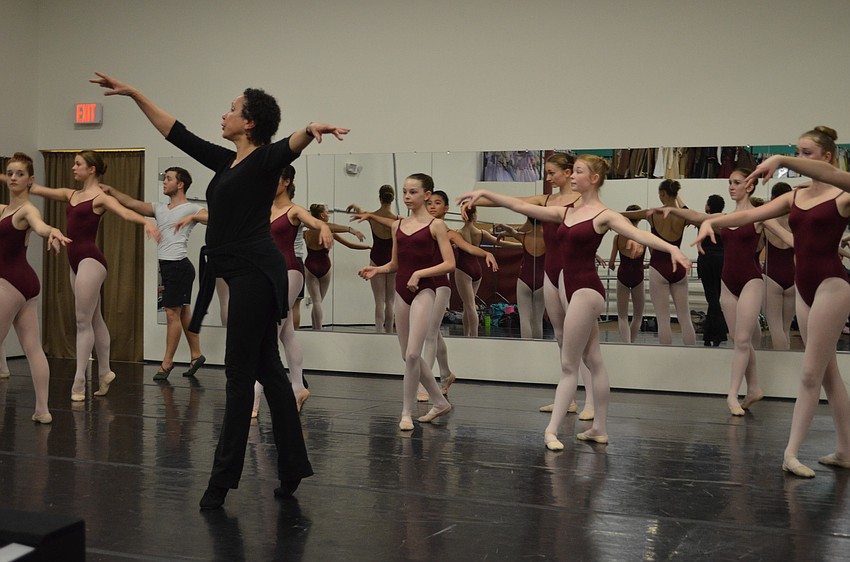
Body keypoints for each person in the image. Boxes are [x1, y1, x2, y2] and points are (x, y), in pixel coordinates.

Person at [91, 71, 348, 507]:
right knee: (268, 368)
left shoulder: (264, 160)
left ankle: (221, 482)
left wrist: (309, 130)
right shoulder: (226, 161)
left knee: (237, 374)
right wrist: (136, 93)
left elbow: (292, 145)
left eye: (232, 108)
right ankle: (292, 470)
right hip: (239, 271)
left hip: (256, 274)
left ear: (249, 123)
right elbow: (178, 133)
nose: (224, 113)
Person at [458, 155, 690, 450]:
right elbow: (521, 206)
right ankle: (599, 429)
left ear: (593, 179)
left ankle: (551, 430)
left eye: (579, 172)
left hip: (587, 289)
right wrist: (486, 194)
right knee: (593, 359)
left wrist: (672, 249)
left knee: (569, 364)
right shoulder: (565, 212)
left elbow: (637, 232)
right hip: (565, 284)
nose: (573, 176)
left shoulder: (604, 214)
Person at [732, 127, 850, 477]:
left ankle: (790, 452)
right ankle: (845, 451)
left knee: (810, 374)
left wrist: (782, 158)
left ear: (827, 156)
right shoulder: (796, 195)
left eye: (807, 152)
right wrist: (710, 221)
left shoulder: (843, 194)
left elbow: (834, 178)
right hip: (805, 286)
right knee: (830, 377)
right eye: (796, 151)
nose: (800, 158)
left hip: (832, 284)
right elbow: (751, 215)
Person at [31, 150, 160, 401]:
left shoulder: (100, 198)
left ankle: (79, 381)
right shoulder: (71, 194)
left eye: (78, 164)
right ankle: (105, 370)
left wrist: (146, 223)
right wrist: (12, 178)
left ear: (91, 169)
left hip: (92, 260)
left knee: (82, 321)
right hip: (74, 261)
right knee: (95, 318)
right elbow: (36, 189)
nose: (73, 168)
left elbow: (124, 212)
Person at [655, 169, 786, 416]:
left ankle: (732, 394)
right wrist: (672, 209)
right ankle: (754, 387)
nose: (731, 187)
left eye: (736, 183)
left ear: (750, 186)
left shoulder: (759, 216)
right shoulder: (724, 217)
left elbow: (789, 237)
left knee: (744, 339)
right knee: (738, 340)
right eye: (730, 182)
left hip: (751, 280)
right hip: (728, 282)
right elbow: (695, 215)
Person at [479, 153, 595, 419]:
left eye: (552, 172)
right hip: (551, 275)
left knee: (585, 343)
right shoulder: (545, 201)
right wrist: (476, 198)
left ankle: (590, 402)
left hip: (574, 275)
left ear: (568, 173)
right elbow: (512, 202)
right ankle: (569, 399)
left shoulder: (583, 202)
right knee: (561, 338)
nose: (547, 177)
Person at [353, 190, 498, 398]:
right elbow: (392, 223)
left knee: (431, 333)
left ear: (446, 208)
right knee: (435, 334)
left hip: (440, 285)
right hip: (421, 285)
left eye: (437, 203)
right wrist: (370, 215)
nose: (432, 206)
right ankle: (446, 373)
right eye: (429, 203)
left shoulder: (448, 231)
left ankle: (424, 385)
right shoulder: (414, 226)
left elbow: (467, 247)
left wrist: (487, 252)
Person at [358, 174, 454, 431]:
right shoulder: (396, 226)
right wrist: (377, 270)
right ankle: (438, 401)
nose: (408, 197)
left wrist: (420, 274)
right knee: (406, 354)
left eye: (413, 192)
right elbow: (395, 264)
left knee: (413, 353)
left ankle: (406, 412)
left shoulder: (436, 226)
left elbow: (449, 263)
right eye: (405, 192)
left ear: (427, 194)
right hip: (402, 289)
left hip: (425, 290)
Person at [102, 167, 206, 380]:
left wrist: (191, 218)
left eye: (168, 179)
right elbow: (131, 203)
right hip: (169, 268)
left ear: (180, 184)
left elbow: (215, 218)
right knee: (183, 311)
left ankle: (166, 363)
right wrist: (111, 190)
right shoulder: (159, 208)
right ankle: (196, 354)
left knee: (171, 314)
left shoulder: (191, 207)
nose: (164, 182)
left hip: (179, 266)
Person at [0, 152, 72, 423]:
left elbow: (39, 226)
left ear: (31, 180)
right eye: (10, 173)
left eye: (20, 174)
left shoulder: (27, 209)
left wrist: (51, 231)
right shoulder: (3, 209)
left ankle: (43, 408)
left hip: (10, 283)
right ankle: (42, 410)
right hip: (25, 284)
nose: (14, 178)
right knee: (33, 347)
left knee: (30, 348)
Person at [622, 180, 696, 345]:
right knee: (685, 317)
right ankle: (693, 352)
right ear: (676, 194)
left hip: (659, 267)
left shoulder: (653, 213)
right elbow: (696, 216)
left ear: (662, 194)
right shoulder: (684, 214)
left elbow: (625, 215)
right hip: (678, 268)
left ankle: (666, 354)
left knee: (663, 319)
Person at [304, 203, 370, 330]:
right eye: (327, 213)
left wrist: (366, 247)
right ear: (322, 215)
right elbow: (349, 244)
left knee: (316, 302)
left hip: (310, 266)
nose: (328, 215)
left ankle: (315, 329)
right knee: (318, 302)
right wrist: (356, 235)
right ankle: (318, 330)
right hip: (325, 266)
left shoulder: (307, 233)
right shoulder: (328, 231)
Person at [347, 185, 398, 333]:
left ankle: (378, 332)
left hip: (376, 258)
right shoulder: (396, 219)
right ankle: (389, 331)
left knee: (379, 300)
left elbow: (363, 213)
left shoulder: (371, 216)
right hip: (392, 260)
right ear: (393, 199)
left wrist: (356, 207)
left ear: (380, 198)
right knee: (390, 301)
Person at [762, 182, 796, 350]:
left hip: (771, 274)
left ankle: (780, 363)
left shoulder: (767, 220)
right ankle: (787, 363)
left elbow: (756, 248)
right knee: (786, 328)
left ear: (774, 199)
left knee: (775, 328)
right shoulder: (796, 221)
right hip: (793, 275)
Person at [607, 205, 646, 343]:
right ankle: (632, 343)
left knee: (622, 316)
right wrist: (644, 265)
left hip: (623, 276)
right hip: (638, 276)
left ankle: (626, 343)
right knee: (638, 316)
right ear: (639, 220)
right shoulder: (643, 237)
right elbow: (653, 260)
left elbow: (611, 263)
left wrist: (613, 265)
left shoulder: (618, 238)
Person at [697, 195, 728, 347]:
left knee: (712, 298)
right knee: (715, 297)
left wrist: (678, 197)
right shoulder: (726, 221)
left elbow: (685, 211)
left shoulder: (704, 220)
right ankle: (709, 335)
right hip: (722, 261)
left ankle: (719, 333)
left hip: (707, 261)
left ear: (708, 207)